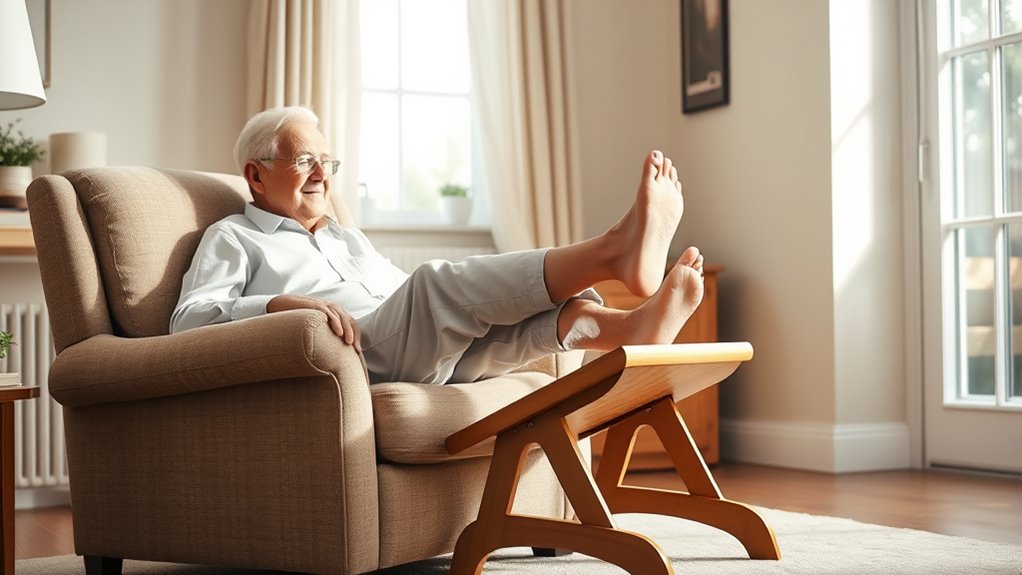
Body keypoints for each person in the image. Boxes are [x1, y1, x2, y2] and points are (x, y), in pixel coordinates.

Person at [170, 106, 705, 384]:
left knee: (519, 318)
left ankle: (627, 328)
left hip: (411, 343)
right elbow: (187, 322)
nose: (321, 175)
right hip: (351, 354)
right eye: (304, 160)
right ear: (256, 176)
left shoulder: (345, 237)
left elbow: (404, 300)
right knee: (435, 285)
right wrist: (282, 304)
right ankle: (613, 251)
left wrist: (485, 307)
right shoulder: (233, 236)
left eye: (327, 163)